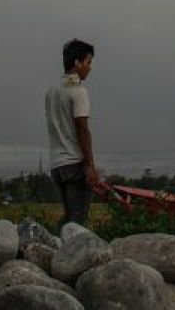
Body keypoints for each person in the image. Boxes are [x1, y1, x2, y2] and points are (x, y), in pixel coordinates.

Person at [45, 38, 99, 227]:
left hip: (57, 166)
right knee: (78, 222)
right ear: (77, 63)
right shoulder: (78, 91)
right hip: (75, 165)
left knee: (69, 219)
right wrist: (90, 165)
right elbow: (82, 128)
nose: (89, 68)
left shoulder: (52, 92)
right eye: (88, 62)